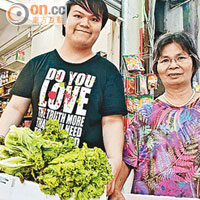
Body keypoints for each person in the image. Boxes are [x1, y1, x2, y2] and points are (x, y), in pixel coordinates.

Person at [0, 0, 127, 196]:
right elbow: (15, 109)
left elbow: (111, 123)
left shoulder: (109, 73)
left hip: (82, 178)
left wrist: (113, 164)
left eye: (94, 19)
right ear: (65, 20)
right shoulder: (37, 65)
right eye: (78, 15)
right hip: (35, 174)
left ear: (100, 28)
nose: (85, 23)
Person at [110, 31, 200, 199]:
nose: (173, 65)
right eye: (165, 60)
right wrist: (116, 189)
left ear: (193, 63)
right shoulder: (146, 113)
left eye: (181, 58)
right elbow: (127, 158)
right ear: (157, 69)